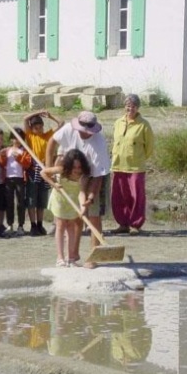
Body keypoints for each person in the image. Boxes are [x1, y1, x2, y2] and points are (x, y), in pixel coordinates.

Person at [46, 111, 111, 268]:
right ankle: (73, 255)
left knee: (93, 215)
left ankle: (94, 256)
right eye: (82, 130)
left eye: (88, 131)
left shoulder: (99, 144)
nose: (84, 133)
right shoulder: (68, 129)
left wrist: (90, 198)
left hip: (95, 174)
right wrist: (49, 168)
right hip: (72, 173)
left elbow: (97, 177)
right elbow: (51, 143)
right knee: (76, 216)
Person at [111, 94, 154, 235]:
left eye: (133, 106)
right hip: (119, 165)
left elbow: (149, 148)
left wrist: (138, 158)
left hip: (136, 166)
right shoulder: (118, 122)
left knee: (136, 196)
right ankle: (123, 223)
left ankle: (135, 224)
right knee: (119, 195)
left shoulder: (143, 125)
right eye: (128, 106)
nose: (130, 108)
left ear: (138, 107)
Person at [41, 149, 92, 267]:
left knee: (71, 227)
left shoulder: (83, 176)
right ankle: (60, 258)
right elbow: (43, 173)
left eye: (79, 167)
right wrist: (54, 184)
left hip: (73, 201)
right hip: (60, 200)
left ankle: (71, 258)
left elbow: (82, 193)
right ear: (69, 165)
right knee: (60, 225)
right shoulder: (61, 169)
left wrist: (83, 208)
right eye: (74, 167)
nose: (77, 170)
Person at [23, 110, 62, 236]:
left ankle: (40, 224)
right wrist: (38, 112)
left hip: (46, 171)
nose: (38, 130)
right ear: (32, 128)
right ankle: (33, 225)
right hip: (33, 170)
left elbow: (61, 123)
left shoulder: (48, 136)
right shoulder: (30, 136)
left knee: (41, 200)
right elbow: (25, 119)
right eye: (36, 128)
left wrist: (50, 116)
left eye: (40, 127)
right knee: (31, 199)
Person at [0, 128, 32, 236]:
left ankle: (21, 225)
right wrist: (2, 156)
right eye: (14, 138)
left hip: (20, 179)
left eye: (19, 138)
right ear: (11, 139)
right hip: (8, 178)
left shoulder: (25, 150)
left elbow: (27, 164)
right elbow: (2, 164)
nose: (16, 140)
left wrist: (19, 158)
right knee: (9, 202)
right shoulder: (7, 150)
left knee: (21, 203)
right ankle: (10, 224)